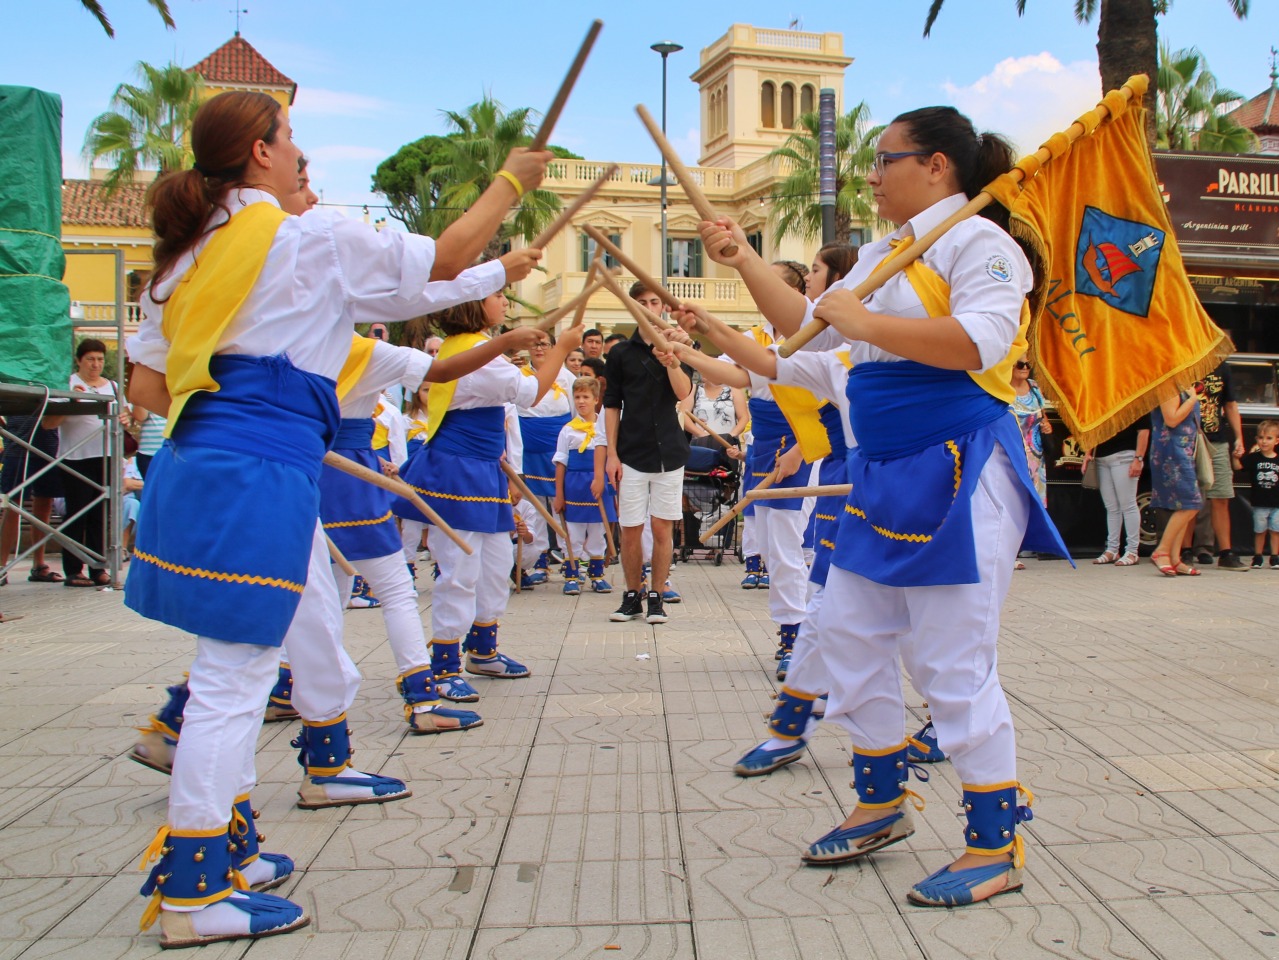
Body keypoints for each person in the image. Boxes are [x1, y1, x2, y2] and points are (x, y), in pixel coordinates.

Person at [122, 89, 551, 946]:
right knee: (234, 680)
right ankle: (196, 894)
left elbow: (148, 393)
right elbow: (448, 253)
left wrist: (265, 396)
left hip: (199, 464)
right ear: (259, 152)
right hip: (258, 473)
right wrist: (511, 182)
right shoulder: (299, 238)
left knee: (231, 666)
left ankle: (227, 854)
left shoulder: (188, 259)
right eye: (294, 147)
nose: (300, 162)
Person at [699, 105, 1067, 907]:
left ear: (936, 165)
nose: (872, 174)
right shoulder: (880, 253)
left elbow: (981, 340)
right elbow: (806, 340)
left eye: (885, 159)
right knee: (845, 634)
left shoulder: (980, 242)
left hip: (958, 468)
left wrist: (862, 318)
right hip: (882, 475)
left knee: (950, 661)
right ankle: (881, 799)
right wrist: (743, 263)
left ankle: (993, 841)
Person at [393, 292, 582, 701]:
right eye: (496, 295)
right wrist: (563, 347)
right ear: (473, 305)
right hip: (457, 470)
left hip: (482, 470)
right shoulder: (473, 351)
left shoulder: (473, 347)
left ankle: (482, 649)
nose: (504, 299)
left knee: (496, 563)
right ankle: (443, 666)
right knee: (460, 566)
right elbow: (529, 393)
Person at [604, 283, 693, 625]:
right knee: (629, 527)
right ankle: (631, 595)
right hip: (631, 451)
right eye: (641, 302)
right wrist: (611, 453)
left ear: (663, 307)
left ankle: (656, 595)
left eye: (654, 302)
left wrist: (671, 358)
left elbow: (683, 392)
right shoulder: (621, 353)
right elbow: (612, 405)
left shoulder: (679, 344)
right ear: (633, 307)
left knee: (662, 528)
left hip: (670, 452)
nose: (649, 307)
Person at [46, 339, 118, 587]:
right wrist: (70, 403)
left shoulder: (113, 386)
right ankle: (74, 569)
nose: (95, 364)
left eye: (99, 359)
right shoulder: (68, 384)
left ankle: (98, 568)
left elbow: (125, 416)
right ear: (79, 360)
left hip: (105, 456)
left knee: (101, 514)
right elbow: (49, 423)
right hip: (75, 457)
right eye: (90, 359)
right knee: (77, 513)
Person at [516, 328, 576, 584]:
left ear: (553, 347)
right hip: (528, 448)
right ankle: (539, 560)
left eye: (545, 345)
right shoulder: (518, 376)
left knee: (559, 504)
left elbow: (575, 417)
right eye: (535, 345)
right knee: (535, 504)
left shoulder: (568, 378)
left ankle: (569, 557)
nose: (539, 349)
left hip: (557, 448)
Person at [552, 376, 616, 594]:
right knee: (574, 531)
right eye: (577, 397)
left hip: (600, 484)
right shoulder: (568, 430)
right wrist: (559, 494)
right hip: (575, 487)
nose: (581, 401)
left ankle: (597, 575)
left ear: (596, 399)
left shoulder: (606, 428)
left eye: (586, 397)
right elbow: (561, 463)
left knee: (598, 530)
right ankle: (572, 575)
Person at [1189, 363, 1247, 569]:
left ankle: (1225, 552)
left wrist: (1239, 437)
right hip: (1189, 438)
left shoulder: (1222, 367)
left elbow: (1230, 404)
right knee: (1190, 498)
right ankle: (1186, 550)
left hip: (1217, 439)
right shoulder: (1184, 361)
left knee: (1221, 496)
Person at [0, 413, 63, 584]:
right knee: (13, 507)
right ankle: (1, 566)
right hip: (17, 447)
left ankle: (39, 565)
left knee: (44, 505)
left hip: (50, 447)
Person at [1149, 390, 1203, 576]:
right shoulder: (1170, 387)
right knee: (1191, 504)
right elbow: (1171, 419)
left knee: (1184, 505)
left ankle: (1174, 557)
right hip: (1172, 451)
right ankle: (1162, 551)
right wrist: (1194, 398)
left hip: (1183, 450)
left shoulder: (1184, 386)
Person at [1082, 419, 1149, 566]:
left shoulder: (1134, 399)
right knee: (1111, 506)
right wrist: (1088, 452)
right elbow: (1094, 426)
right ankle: (1112, 549)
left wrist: (1138, 458)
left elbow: (1144, 430)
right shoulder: (1103, 400)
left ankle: (1132, 551)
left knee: (1128, 504)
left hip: (1124, 454)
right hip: (1101, 456)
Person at [1010, 353, 1052, 570]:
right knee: (1013, 501)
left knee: (1031, 502)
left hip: (1035, 456)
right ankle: (1011, 552)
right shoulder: (1004, 388)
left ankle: (1024, 545)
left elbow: (1043, 418)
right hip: (1013, 452)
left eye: (1028, 364)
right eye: (1020, 364)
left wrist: (1046, 426)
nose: (1025, 367)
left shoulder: (1034, 387)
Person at [1241, 419, 1279, 567]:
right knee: (1260, 530)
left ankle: (1275, 556)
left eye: (1269, 438)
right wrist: (1236, 455)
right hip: (1259, 502)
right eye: (1261, 438)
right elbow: (1239, 466)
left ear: (1276, 440)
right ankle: (1258, 556)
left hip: (1276, 503)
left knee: (1275, 530)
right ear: (1256, 439)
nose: (1264, 442)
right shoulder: (1254, 458)